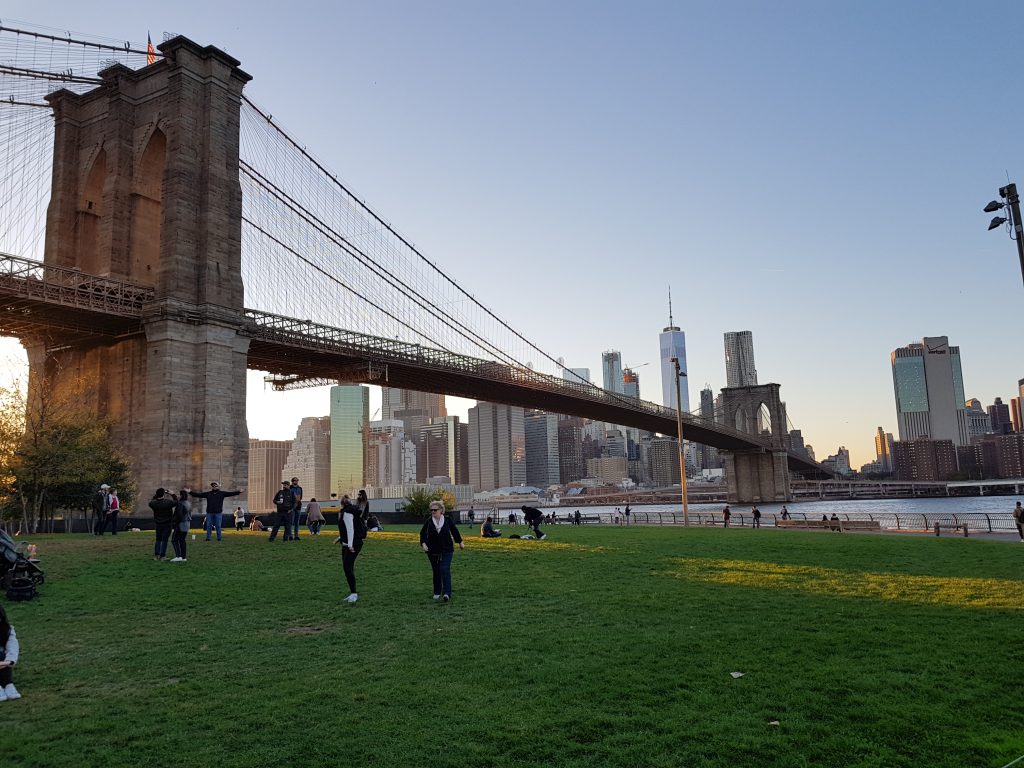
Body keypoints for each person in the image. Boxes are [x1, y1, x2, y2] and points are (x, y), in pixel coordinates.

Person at [420, 500, 464, 601]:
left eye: (435, 510)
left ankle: (447, 593)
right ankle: (437, 591)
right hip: (432, 550)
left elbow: (454, 531)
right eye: (431, 510)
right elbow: (422, 534)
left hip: (447, 549)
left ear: (441, 510)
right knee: (436, 571)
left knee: (444, 569)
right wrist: (423, 544)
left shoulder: (447, 520)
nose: (433, 512)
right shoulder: (429, 521)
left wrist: (460, 542)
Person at [335, 494, 365, 603]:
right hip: (348, 542)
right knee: (347, 567)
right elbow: (348, 529)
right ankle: (353, 592)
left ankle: (354, 593)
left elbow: (350, 529)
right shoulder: (349, 511)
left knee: (347, 567)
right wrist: (340, 538)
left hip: (353, 543)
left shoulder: (347, 512)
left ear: (342, 503)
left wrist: (350, 545)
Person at [0, 604, 22, 701]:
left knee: (2, 655)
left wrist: (9, 661)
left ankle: (8, 685)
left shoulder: (8, 630)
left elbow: (12, 646)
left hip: (2, 663)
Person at [148, 488, 175, 561]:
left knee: (158, 539)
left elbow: (150, 502)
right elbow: (176, 502)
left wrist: (156, 495)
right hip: (167, 523)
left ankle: (156, 555)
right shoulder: (168, 502)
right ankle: (162, 556)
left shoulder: (153, 503)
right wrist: (172, 494)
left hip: (158, 523)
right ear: (164, 494)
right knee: (165, 540)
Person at [170, 488, 192, 562]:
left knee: (174, 539)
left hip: (181, 524)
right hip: (187, 523)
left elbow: (179, 515)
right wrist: (172, 494)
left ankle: (178, 556)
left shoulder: (181, 504)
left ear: (181, 495)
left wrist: (174, 523)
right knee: (182, 540)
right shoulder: (188, 503)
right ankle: (183, 557)